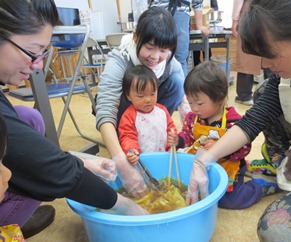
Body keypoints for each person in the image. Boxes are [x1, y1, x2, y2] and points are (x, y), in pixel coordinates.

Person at [0, 0, 148, 238]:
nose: (39, 65)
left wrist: (79, 160)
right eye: (32, 52)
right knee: (42, 173)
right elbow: (45, 167)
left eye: (43, 54)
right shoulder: (118, 60)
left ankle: (15, 210)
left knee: (29, 117)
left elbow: (26, 146)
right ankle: (7, 219)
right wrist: (124, 204)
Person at [188, 0, 291, 240]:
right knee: (276, 232)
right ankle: (281, 164)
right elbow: (249, 124)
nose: (265, 65)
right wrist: (203, 160)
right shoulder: (282, 82)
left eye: (271, 56)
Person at [96, 6, 184, 197]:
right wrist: (120, 161)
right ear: (136, 37)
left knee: (178, 82)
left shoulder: (168, 61)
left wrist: (187, 138)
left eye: (162, 50)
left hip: (152, 109)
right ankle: (128, 142)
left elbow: (184, 98)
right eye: (149, 47)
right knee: (125, 125)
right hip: (126, 110)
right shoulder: (120, 59)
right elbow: (104, 108)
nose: (155, 57)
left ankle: (154, 138)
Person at [168, 61, 278, 209]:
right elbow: (187, 136)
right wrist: (178, 140)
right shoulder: (192, 118)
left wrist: (221, 150)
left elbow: (244, 147)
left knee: (229, 200)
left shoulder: (233, 121)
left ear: (220, 99)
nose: (194, 108)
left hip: (229, 166)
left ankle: (261, 186)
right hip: (201, 166)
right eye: (190, 102)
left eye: (199, 103)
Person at [118, 65, 177, 165]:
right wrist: (132, 150)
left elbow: (171, 129)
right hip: (142, 161)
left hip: (163, 158)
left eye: (152, 94)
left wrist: (174, 139)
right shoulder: (129, 116)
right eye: (141, 96)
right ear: (128, 95)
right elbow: (127, 136)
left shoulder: (162, 111)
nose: (148, 100)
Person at [149, 0, 209, 77]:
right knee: (154, 59)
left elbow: (197, 2)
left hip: (179, 10)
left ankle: (180, 88)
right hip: (155, 14)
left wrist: (199, 24)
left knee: (180, 60)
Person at [232, 0, 272, 106]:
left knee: (246, 55)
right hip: (271, 10)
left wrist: (235, 19)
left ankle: (244, 96)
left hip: (251, 10)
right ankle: (273, 94)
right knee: (269, 51)